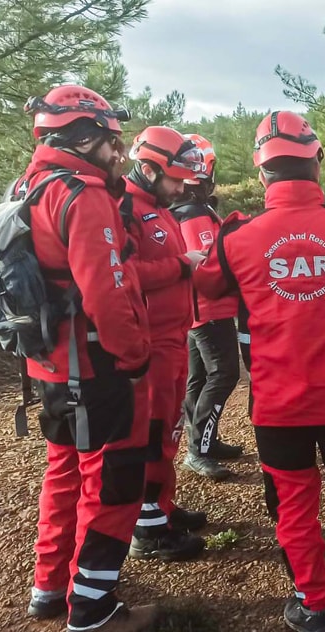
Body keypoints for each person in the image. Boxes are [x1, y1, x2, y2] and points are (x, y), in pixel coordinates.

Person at [194, 111, 325, 632]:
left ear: (262, 172)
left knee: (293, 506)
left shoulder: (237, 237)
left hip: (278, 405)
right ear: (318, 164)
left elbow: (207, 286)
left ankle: (313, 605)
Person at [20, 84, 159, 632]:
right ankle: (93, 611)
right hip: (96, 364)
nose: (118, 151)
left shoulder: (31, 186)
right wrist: (135, 358)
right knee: (113, 480)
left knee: (63, 471)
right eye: (110, 139)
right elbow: (106, 291)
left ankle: (51, 585)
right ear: (83, 137)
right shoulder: (83, 196)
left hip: (50, 365)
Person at [119, 126, 209, 561]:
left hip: (173, 336)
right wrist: (181, 265)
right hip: (150, 341)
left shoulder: (158, 207)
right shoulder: (125, 209)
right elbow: (125, 273)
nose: (182, 187)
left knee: (169, 431)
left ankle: (162, 508)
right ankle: (148, 530)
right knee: (153, 436)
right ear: (149, 169)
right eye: (175, 178)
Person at [174, 133, 244, 481]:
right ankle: (198, 450)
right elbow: (207, 264)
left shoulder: (185, 207)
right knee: (224, 374)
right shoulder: (194, 213)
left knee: (199, 378)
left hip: (196, 310)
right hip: (209, 309)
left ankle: (204, 441)